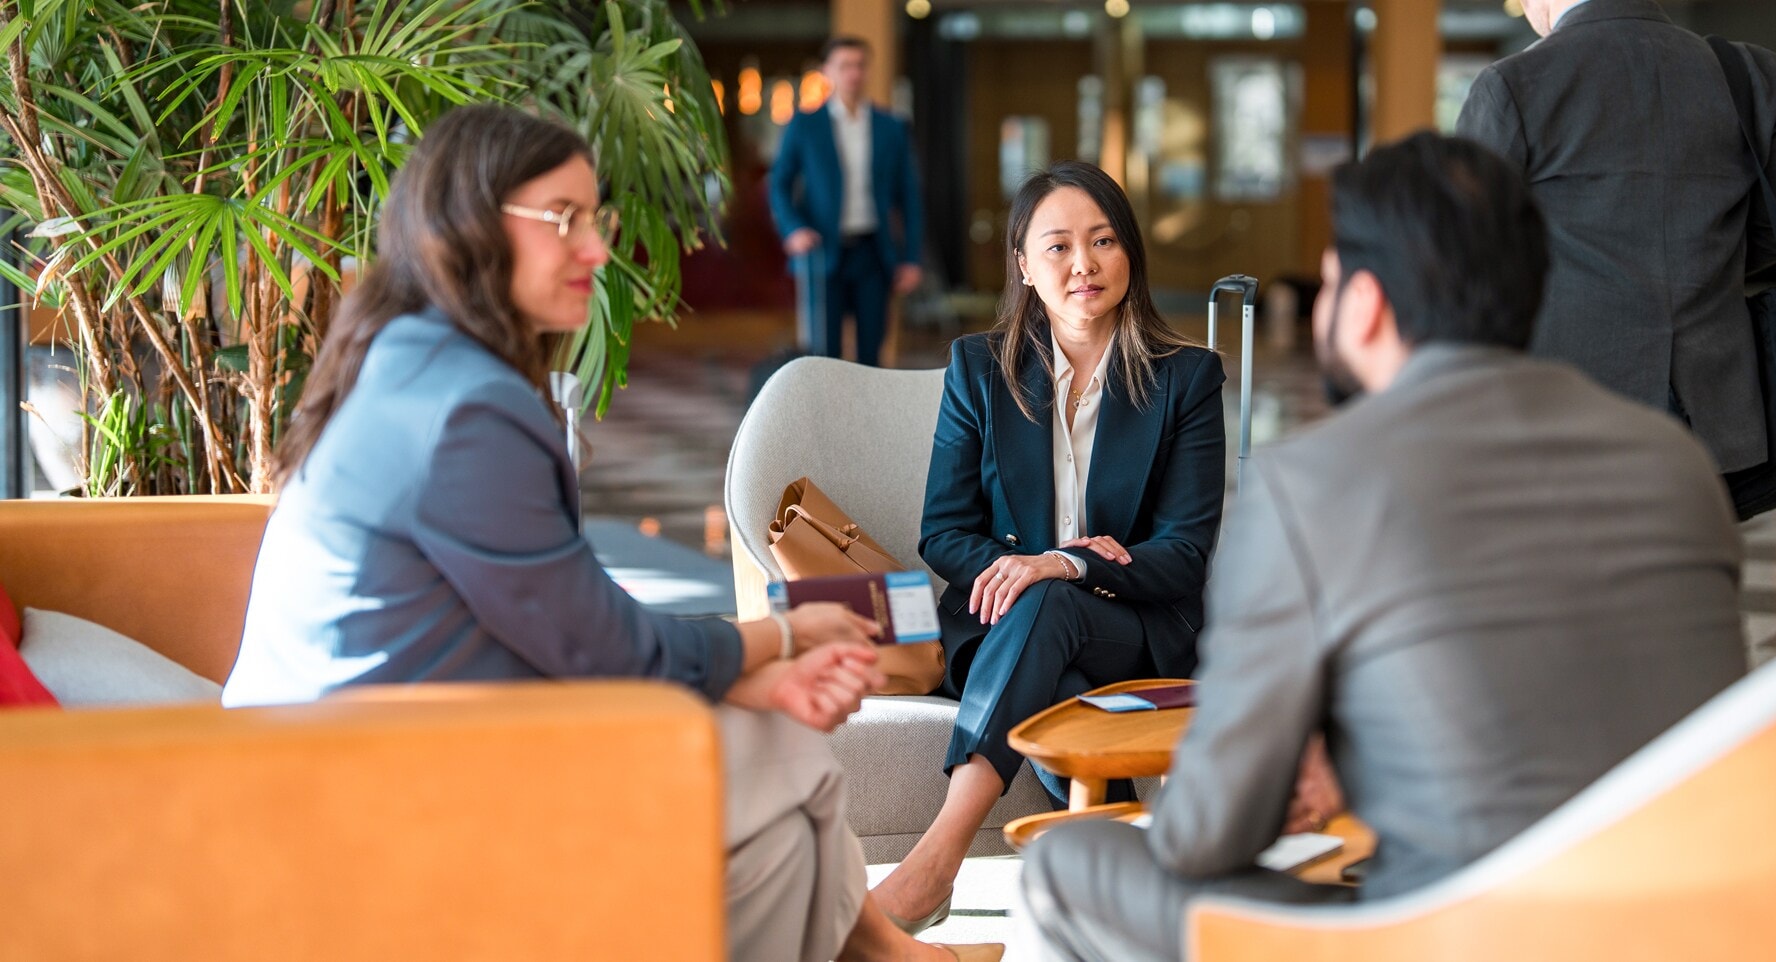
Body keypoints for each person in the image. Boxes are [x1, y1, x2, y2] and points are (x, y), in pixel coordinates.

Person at [223, 105, 999, 962]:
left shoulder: (406, 355)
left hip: (328, 744)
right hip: (378, 771)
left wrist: (748, 672)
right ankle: (882, 955)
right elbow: (590, 644)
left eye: (597, 220)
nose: (596, 250)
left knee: (791, 793)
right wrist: (773, 641)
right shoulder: (473, 409)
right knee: (796, 771)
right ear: (469, 226)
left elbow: (538, 621)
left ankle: (880, 954)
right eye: (565, 220)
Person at [1021, 133, 1750, 961]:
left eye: (1330, 279)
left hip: (1446, 937)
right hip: (1685, 924)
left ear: (1363, 303)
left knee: (1065, 859)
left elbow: (1205, 836)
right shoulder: (1674, 461)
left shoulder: (1312, 482)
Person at [866, 160, 1226, 933]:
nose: (1084, 265)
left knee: (1054, 596)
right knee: (1044, 616)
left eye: (1102, 242)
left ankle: (935, 863)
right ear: (1025, 268)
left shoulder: (1186, 380)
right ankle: (1124, 890)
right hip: (1004, 631)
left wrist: (1063, 562)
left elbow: (1184, 554)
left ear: (1130, 253)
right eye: (1058, 247)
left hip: (1137, 635)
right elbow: (944, 528)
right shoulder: (980, 370)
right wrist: (1023, 574)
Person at [1455, 0, 1776, 475]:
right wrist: (1698, 267)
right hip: (1716, 416)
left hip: (1562, 414)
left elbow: (1463, 254)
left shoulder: (1512, 86)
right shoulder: (1747, 74)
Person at [767, 35, 925, 367]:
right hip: (822, 251)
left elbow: (908, 197)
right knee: (823, 352)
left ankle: (869, 419)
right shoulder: (805, 125)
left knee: (872, 351)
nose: (853, 73)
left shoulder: (890, 127)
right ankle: (828, 419)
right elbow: (779, 183)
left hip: (872, 252)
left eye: (859, 65)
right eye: (844, 66)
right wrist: (793, 228)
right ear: (827, 71)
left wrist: (911, 257)